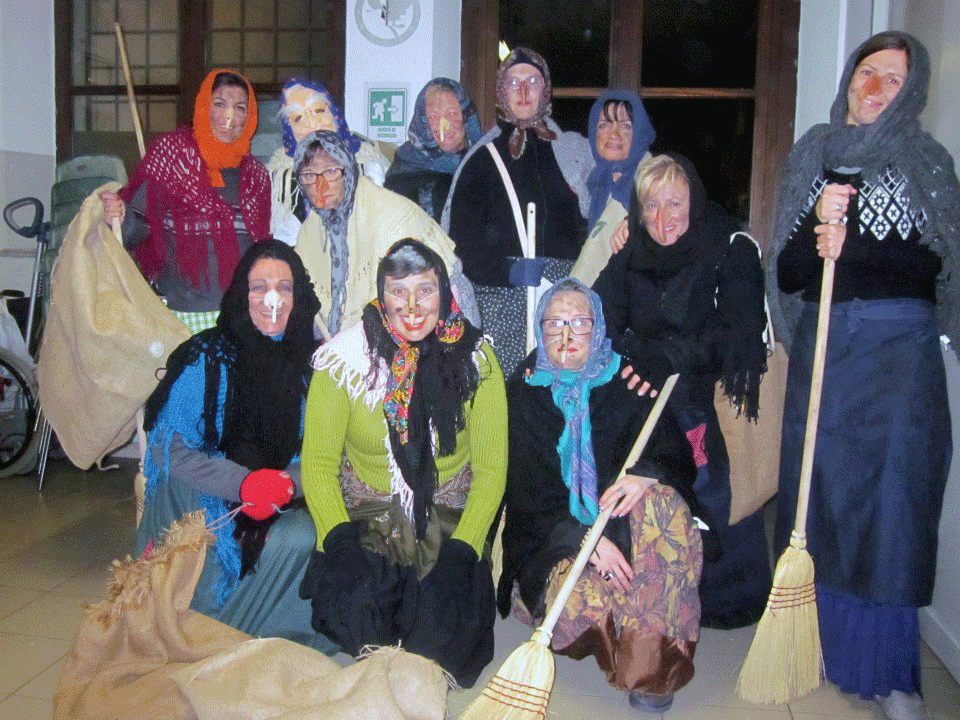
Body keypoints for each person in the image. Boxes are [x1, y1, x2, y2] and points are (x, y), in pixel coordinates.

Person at [767, 31, 960, 720]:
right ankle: (827, 651)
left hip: (900, 356)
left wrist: (855, 251)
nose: (874, 87)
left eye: (892, 78)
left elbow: (938, 269)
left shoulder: (926, 162)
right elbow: (788, 273)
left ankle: (891, 672)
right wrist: (817, 226)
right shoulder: (814, 155)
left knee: (893, 504)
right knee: (821, 502)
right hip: (828, 353)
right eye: (866, 72)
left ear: (913, 91)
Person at [298, 239, 506, 687]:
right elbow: (316, 463)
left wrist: (464, 549)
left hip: (449, 522)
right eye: (398, 291)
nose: (412, 307)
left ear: (444, 291)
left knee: (441, 643)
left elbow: (491, 472)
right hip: (369, 519)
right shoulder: (343, 361)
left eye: (425, 290)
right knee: (362, 618)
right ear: (380, 294)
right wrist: (337, 539)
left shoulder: (476, 359)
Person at [500, 278, 703, 714]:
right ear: (540, 330)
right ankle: (617, 631)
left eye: (579, 323)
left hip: (624, 530)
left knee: (663, 504)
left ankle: (651, 664)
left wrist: (645, 477)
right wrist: (585, 541)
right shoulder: (521, 394)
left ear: (599, 327)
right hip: (557, 541)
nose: (567, 336)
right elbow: (526, 502)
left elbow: (676, 454)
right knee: (575, 611)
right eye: (554, 324)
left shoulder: (626, 381)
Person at [594, 152, 771, 629]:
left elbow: (736, 333)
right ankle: (645, 587)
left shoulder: (727, 247)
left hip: (706, 394)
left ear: (694, 199)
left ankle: (724, 600)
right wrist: (637, 353)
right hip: (641, 386)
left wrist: (669, 357)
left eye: (674, 202)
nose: (662, 218)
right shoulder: (630, 250)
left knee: (712, 492)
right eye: (650, 205)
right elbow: (603, 316)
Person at [133, 240, 333, 652]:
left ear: (300, 298)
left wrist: (286, 484)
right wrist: (242, 485)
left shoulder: (314, 369)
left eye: (284, 287)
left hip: (278, 492)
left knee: (306, 535)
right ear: (242, 294)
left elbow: (321, 453)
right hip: (203, 488)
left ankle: (261, 641)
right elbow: (167, 449)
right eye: (259, 287)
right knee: (238, 539)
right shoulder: (206, 355)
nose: (272, 299)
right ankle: (206, 638)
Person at [444, 47, 594, 374]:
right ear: (501, 91)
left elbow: (599, 224)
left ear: (546, 89)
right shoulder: (482, 161)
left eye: (532, 81)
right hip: (501, 305)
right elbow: (460, 246)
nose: (523, 91)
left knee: (558, 399)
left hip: (563, 303)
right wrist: (508, 272)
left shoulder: (574, 152)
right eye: (513, 83)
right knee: (507, 400)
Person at [102, 69, 270, 333]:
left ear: (249, 117)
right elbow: (138, 229)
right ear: (204, 107)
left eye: (239, 108)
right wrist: (120, 215)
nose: (229, 116)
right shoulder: (171, 157)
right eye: (219, 104)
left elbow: (262, 249)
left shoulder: (256, 176)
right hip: (182, 312)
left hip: (242, 313)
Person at [292, 129, 477, 336]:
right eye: (309, 175)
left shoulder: (394, 216)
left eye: (332, 172)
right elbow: (314, 315)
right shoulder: (308, 233)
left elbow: (450, 292)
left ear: (350, 171)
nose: (321, 186)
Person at [267, 78, 391, 246]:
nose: (311, 123)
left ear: (334, 113)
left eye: (318, 111)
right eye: (298, 118)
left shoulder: (370, 163)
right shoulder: (279, 177)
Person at [572, 90, 657, 285]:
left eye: (626, 126)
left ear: (640, 132)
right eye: (603, 125)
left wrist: (638, 222)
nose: (614, 134)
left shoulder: (655, 180)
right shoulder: (590, 183)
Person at [384, 77, 483, 221]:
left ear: (466, 117)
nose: (444, 125)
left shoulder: (482, 164)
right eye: (433, 116)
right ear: (422, 121)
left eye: (452, 114)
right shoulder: (405, 166)